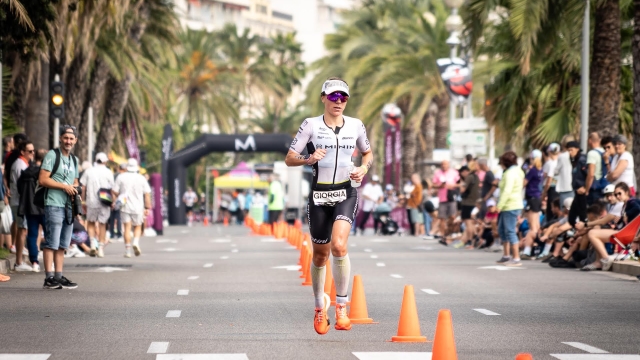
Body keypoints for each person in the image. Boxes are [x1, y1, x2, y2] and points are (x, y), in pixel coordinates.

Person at [284, 77, 372, 335]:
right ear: (323, 98)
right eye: (333, 97)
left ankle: (341, 306)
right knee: (320, 254)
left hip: (346, 192)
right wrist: (309, 158)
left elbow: (367, 152)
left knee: (340, 245)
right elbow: (289, 158)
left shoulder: (355, 125)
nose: (339, 102)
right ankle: (319, 308)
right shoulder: (310, 125)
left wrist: (363, 169)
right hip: (319, 195)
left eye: (343, 97)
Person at [39, 125, 80, 290]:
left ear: (75, 140)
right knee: (51, 242)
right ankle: (49, 277)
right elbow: (43, 179)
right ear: (60, 139)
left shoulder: (74, 160)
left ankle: (58, 275)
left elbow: (75, 181)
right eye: (66, 138)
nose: (68, 141)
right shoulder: (52, 155)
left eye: (71, 138)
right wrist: (64, 186)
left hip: (68, 205)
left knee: (63, 244)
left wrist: (75, 189)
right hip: (53, 203)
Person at [584, 182, 640, 271]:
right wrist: (621, 218)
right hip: (624, 231)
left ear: (626, 192)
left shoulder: (631, 201)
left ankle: (605, 258)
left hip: (626, 233)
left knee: (593, 233)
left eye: (619, 193)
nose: (617, 196)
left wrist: (626, 214)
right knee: (594, 232)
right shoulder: (624, 204)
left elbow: (637, 208)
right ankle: (600, 261)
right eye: (616, 194)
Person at [113, 158, 151, 258]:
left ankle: (128, 250)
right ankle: (136, 242)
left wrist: (118, 197)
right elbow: (147, 194)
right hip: (138, 207)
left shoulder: (121, 177)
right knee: (138, 226)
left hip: (125, 206)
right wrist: (147, 207)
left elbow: (115, 191)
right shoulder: (141, 178)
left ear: (127, 167)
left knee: (127, 228)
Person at [80, 152, 114, 258]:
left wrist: (83, 201)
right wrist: (112, 201)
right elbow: (112, 188)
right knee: (102, 224)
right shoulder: (108, 172)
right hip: (104, 202)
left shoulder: (88, 171)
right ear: (105, 161)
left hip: (91, 201)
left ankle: (93, 245)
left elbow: (83, 187)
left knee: (90, 222)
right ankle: (101, 249)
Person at [17, 148, 47, 272]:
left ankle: (34, 261)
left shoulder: (26, 172)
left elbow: (20, 188)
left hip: (30, 207)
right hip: (45, 207)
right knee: (50, 235)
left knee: (32, 235)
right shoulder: (46, 173)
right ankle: (51, 263)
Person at [495, 151, 524, 267]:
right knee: (502, 230)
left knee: (510, 231)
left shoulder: (510, 173)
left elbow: (507, 190)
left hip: (510, 205)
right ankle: (506, 255)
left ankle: (516, 258)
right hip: (511, 204)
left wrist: (500, 205)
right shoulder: (517, 171)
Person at [10, 140, 34, 271]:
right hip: (20, 202)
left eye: (33, 151)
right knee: (22, 230)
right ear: (22, 152)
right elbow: (22, 186)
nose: (32, 153)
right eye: (30, 151)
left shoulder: (23, 163)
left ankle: (20, 261)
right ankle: (18, 262)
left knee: (22, 230)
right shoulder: (20, 165)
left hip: (21, 202)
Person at [520, 150, 544, 259]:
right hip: (537, 197)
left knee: (532, 225)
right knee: (537, 224)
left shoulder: (533, 170)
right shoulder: (541, 170)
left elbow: (523, 183)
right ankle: (537, 248)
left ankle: (529, 249)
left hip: (532, 198)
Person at [433, 160, 460, 237]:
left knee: (452, 216)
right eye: (442, 164)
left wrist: (453, 185)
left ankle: (450, 231)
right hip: (442, 198)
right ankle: (442, 233)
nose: (444, 166)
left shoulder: (454, 172)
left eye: (445, 164)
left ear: (448, 165)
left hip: (451, 197)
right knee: (442, 217)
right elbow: (433, 184)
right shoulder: (437, 173)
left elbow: (460, 184)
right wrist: (440, 186)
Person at [458, 162, 480, 248]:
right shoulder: (476, 177)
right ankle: (475, 237)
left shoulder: (469, 177)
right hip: (474, 202)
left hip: (467, 202)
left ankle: (470, 241)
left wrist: (461, 184)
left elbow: (462, 190)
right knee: (471, 222)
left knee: (468, 223)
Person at [567, 141, 588, 227]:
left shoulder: (582, 160)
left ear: (577, 149)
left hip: (582, 192)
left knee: (583, 218)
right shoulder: (574, 161)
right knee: (571, 219)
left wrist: (585, 187)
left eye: (571, 150)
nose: (570, 152)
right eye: (568, 150)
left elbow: (589, 175)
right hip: (577, 192)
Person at [585, 132, 607, 204]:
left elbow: (591, 174)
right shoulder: (604, 152)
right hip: (604, 185)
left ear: (590, 140)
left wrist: (587, 190)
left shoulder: (592, 153)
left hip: (595, 188)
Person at [109, 163, 127, 241]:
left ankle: (112, 234)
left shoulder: (115, 175)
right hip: (120, 198)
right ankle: (119, 234)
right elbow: (114, 190)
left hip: (115, 197)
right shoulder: (122, 177)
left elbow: (112, 189)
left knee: (113, 216)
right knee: (118, 216)